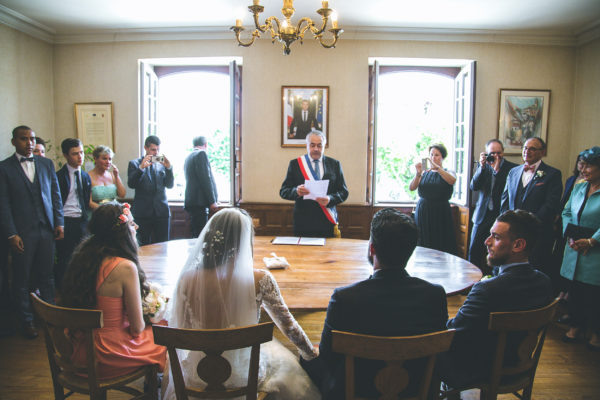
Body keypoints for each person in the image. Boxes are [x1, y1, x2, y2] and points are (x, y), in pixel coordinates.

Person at [164, 208, 320, 400]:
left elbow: (181, 330)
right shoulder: (260, 279)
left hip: (197, 375)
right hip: (243, 376)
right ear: (243, 243)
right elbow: (288, 326)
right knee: (285, 363)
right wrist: (310, 353)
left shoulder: (186, 280)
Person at [301, 208, 447, 399]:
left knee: (305, 359)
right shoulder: (434, 295)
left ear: (372, 248)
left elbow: (328, 359)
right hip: (415, 389)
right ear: (411, 249)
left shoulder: (345, 298)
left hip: (356, 392)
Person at [438, 210, 553, 389]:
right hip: (520, 367)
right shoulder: (544, 283)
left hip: (480, 372)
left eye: (496, 237)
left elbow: (453, 333)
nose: (487, 241)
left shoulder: (487, 290)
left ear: (518, 245)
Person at [60, 202, 166, 379]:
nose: (136, 227)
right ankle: (153, 388)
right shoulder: (125, 267)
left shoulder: (83, 258)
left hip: (78, 350)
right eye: (132, 224)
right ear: (121, 232)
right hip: (106, 355)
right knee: (165, 334)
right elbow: (137, 329)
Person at [0, 126, 64, 339]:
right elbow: (4, 204)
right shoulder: (4, 168)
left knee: (47, 276)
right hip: (22, 233)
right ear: (13, 142)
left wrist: (59, 222)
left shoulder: (46, 164)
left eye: (32, 139)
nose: (28, 143)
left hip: (46, 229)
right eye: (23, 139)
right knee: (22, 278)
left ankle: (52, 318)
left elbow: (55, 195)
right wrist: (11, 233)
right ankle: (26, 321)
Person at [501, 137, 562, 272]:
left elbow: (550, 205)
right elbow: (505, 200)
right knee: (512, 267)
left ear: (542, 152)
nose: (527, 151)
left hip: (538, 232)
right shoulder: (513, 172)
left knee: (535, 268)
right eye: (525, 148)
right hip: (513, 231)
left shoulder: (553, 174)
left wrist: (530, 225)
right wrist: (505, 223)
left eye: (532, 149)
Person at [559, 146, 600, 349]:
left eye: (589, 166)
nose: (583, 170)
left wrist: (592, 241)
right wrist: (570, 234)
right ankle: (575, 327)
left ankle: (594, 332)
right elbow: (566, 212)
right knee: (574, 290)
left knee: (593, 294)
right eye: (582, 165)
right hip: (574, 247)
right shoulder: (579, 187)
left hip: (594, 251)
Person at [280, 131, 349, 237]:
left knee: (327, 253)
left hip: (327, 222)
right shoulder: (295, 164)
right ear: (307, 146)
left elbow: (344, 192)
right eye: (312, 145)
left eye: (319, 145)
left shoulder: (334, 164)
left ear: (324, 146)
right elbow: (284, 191)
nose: (316, 149)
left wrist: (330, 198)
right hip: (303, 223)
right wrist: (296, 191)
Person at [469, 139, 517, 271]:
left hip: (500, 215)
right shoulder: (484, 166)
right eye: (492, 153)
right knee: (474, 250)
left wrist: (497, 171)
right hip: (482, 215)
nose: (495, 156)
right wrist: (482, 167)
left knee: (498, 252)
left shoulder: (512, 168)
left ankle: (493, 279)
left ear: (503, 152)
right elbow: (474, 186)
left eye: (498, 153)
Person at [55, 138, 92, 290]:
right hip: (65, 220)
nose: (80, 157)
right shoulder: (58, 176)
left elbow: (86, 200)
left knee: (84, 257)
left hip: (81, 220)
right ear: (65, 155)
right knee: (65, 257)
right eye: (75, 154)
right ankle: (64, 289)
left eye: (81, 152)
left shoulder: (85, 176)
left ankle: (81, 288)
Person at [409, 143, 457, 254]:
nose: (433, 157)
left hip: (440, 211)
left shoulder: (448, 171)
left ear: (442, 157)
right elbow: (412, 187)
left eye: (436, 155)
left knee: (440, 240)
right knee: (423, 239)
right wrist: (418, 174)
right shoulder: (425, 172)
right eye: (431, 154)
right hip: (423, 210)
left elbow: (452, 180)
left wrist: (438, 169)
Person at [128, 135, 174, 245]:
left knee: (163, 246)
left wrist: (169, 168)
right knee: (142, 246)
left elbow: (170, 185)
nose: (156, 153)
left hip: (161, 212)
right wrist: (141, 169)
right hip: (142, 213)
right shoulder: (134, 164)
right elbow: (131, 184)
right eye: (153, 150)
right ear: (146, 148)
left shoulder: (162, 165)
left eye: (158, 150)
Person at [184, 136, 219, 237]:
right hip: (199, 202)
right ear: (206, 144)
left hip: (192, 201)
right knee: (201, 235)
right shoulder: (201, 154)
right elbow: (205, 178)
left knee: (195, 233)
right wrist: (212, 201)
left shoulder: (189, 156)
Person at [88, 145, 126, 209]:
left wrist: (116, 176)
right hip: (96, 212)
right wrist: (105, 211)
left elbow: (122, 195)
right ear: (95, 159)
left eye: (110, 159)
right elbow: (89, 202)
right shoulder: (88, 177)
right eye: (104, 158)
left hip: (113, 212)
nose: (108, 162)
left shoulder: (113, 175)